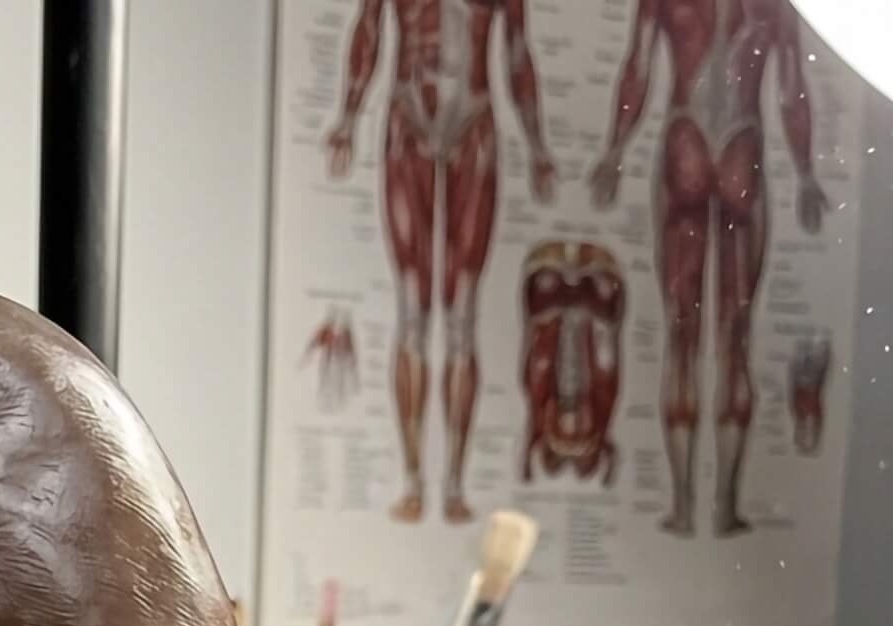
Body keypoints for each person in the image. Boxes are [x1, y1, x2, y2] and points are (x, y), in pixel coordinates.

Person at [590, 0, 828, 535]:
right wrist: (805, 173)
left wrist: (615, 151)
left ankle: (683, 507)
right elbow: (791, 88)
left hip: (687, 143)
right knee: (733, 334)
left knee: (683, 333)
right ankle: (722, 507)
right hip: (741, 146)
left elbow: (638, 69)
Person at [327, 0, 557, 524]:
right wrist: (347, 118)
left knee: (462, 312)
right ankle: (413, 480)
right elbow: (369, 28)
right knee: (412, 305)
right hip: (407, 121)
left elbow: (516, 52)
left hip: (474, 126)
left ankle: (453, 482)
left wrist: (538, 145)